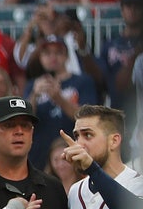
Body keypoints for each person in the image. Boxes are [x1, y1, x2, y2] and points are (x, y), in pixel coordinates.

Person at [24, 35, 98, 170]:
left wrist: (59, 98)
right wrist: (34, 95)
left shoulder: (82, 81)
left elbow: (87, 119)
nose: (53, 57)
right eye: (47, 53)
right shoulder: (32, 85)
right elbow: (25, 121)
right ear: (40, 57)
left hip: (73, 152)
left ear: (66, 56)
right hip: (39, 156)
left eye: (58, 52)